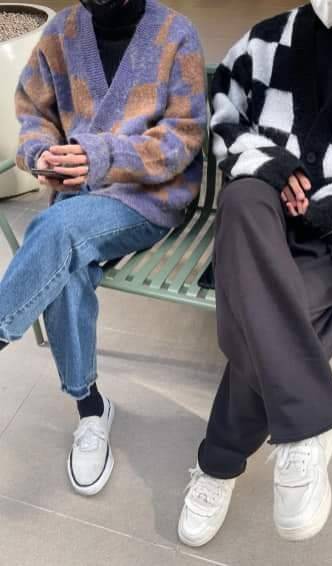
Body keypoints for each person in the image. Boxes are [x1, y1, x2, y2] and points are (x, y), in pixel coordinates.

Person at [178, 0, 332, 547]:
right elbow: (224, 115)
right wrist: (270, 164)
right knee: (243, 199)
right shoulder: (264, 39)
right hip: (259, 216)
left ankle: (218, 462)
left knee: (271, 312)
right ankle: (307, 425)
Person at [0, 0, 206, 496]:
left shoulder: (176, 34)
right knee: (66, 259)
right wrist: (42, 154)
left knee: (58, 229)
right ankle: (91, 410)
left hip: (148, 199)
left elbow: (183, 137)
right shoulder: (62, 31)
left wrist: (101, 154)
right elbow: (34, 113)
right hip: (76, 199)